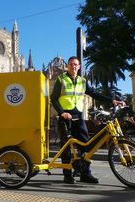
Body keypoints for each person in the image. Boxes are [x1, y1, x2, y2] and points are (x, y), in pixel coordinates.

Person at [51, 56, 125, 184]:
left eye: (76, 65)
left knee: (85, 145)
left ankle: (85, 173)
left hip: (78, 117)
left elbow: (94, 93)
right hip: (65, 117)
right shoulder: (60, 80)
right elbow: (54, 98)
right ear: (67, 66)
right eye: (71, 64)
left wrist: (112, 100)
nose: (73, 67)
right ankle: (67, 175)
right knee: (66, 146)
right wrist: (62, 113)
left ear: (79, 67)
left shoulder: (82, 81)